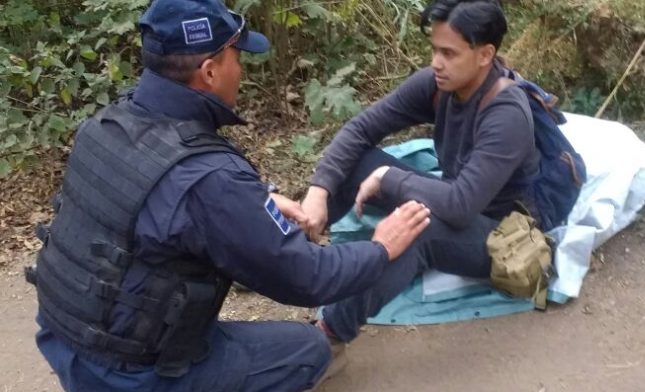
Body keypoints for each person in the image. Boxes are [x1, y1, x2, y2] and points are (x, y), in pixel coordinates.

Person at [26, 0, 431, 391]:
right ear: (209, 71)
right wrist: (381, 248)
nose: (242, 68)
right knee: (307, 351)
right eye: (236, 56)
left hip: (64, 338)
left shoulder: (107, 123)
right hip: (128, 376)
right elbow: (308, 277)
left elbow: (157, 201)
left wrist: (260, 198)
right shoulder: (211, 180)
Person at [302, 0, 547, 343]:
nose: (436, 63)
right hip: (454, 197)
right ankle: (289, 255)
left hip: (501, 233)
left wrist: (389, 178)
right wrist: (319, 190)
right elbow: (360, 129)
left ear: (485, 55)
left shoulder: (506, 113)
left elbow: (461, 206)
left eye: (449, 53)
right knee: (356, 162)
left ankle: (327, 338)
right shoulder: (439, 84)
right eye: (434, 50)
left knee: (414, 225)